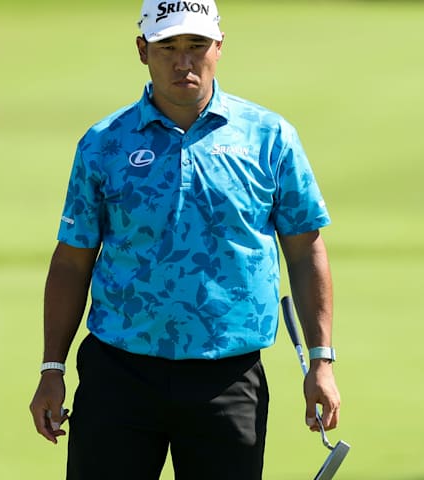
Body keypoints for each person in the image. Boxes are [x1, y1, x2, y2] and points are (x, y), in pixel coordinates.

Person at [29, 0, 341, 478]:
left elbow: (305, 251)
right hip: (119, 373)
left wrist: (321, 361)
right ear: (142, 50)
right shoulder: (104, 143)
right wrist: (52, 368)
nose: (183, 61)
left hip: (228, 376)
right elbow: (72, 260)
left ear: (219, 46)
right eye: (167, 47)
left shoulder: (270, 137)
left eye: (196, 45)